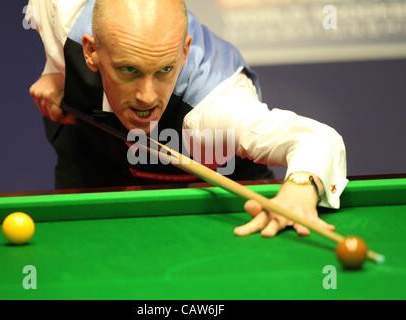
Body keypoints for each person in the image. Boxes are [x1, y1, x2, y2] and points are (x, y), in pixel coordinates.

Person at [26, 0, 348, 237]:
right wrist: (56, 72)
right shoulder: (63, 17)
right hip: (98, 171)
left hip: (219, 211)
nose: (147, 97)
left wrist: (301, 186)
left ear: (184, 51)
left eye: (165, 70)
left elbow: (316, 139)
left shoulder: (216, 105)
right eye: (129, 70)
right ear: (91, 52)